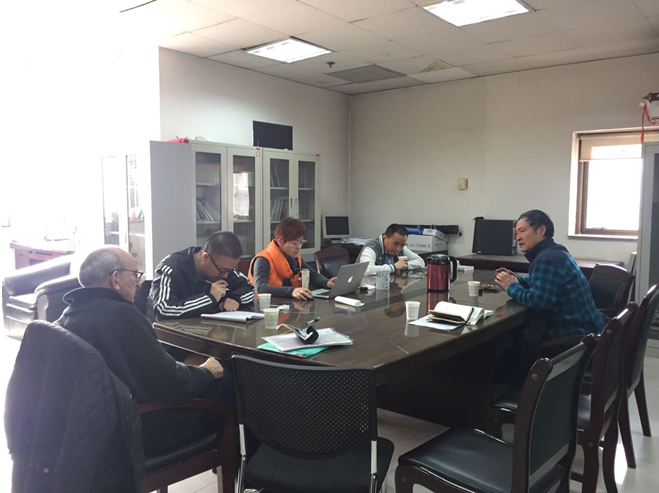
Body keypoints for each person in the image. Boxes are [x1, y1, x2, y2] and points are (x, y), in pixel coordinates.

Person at [56, 246, 230, 455]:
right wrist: (207, 371)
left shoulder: (68, 315)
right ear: (116, 279)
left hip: (99, 427)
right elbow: (171, 383)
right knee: (227, 378)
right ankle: (249, 465)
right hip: (142, 429)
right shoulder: (122, 315)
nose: (139, 282)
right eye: (135, 274)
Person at [494, 210, 606, 342]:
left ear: (541, 230)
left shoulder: (547, 260)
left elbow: (538, 301)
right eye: (516, 233)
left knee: (505, 342)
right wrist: (515, 279)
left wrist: (511, 287)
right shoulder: (556, 251)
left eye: (522, 231)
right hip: (590, 329)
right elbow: (540, 284)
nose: (517, 238)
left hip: (574, 340)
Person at [148, 231, 255, 322]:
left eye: (230, 270)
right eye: (223, 271)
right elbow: (162, 311)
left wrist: (235, 298)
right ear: (205, 257)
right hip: (174, 337)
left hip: (212, 331)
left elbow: (250, 288)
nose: (226, 276)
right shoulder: (171, 268)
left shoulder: (223, 267)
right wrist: (210, 298)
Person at [248, 217, 336, 300]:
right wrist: (292, 291)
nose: (298, 247)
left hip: (288, 305)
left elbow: (311, 274)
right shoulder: (262, 260)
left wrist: (326, 282)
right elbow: (261, 288)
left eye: (301, 242)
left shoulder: (294, 258)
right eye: (294, 243)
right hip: (266, 307)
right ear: (280, 241)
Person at [357, 223, 425, 276]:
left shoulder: (400, 248)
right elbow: (366, 270)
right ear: (385, 237)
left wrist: (403, 266)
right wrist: (394, 267)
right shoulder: (371, 248)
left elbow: (420, 262)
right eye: (395, 244)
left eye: (402, 245)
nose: (398, 249)